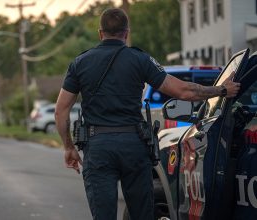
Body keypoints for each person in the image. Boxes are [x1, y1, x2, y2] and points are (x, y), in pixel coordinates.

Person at [54, 8, 240, 220]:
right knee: (142, 214)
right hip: (134, 145)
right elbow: (183, 91)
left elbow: (61, 111)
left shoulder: (80, 63)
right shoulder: (140, 59)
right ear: (126, 33)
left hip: (98, 147)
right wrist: (222, 90)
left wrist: (69, 147)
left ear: (100, 33)